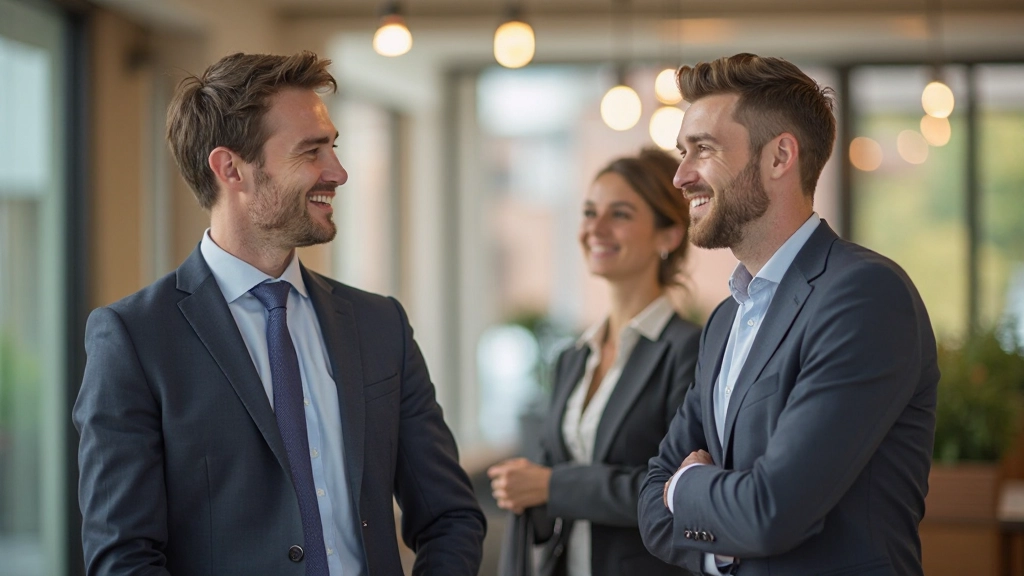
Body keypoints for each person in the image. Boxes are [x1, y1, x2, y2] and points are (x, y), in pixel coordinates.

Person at [74, 51, 485, 576]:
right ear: (230, 169)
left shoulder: (381, 325)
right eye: (311, 151)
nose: (337, 172)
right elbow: (122, 557)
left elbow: (450, 516)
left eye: (332, 146)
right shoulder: (134, 338)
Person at [637, 53, 939, 576]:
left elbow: (771, 510)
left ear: (780, 157)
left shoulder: (865, 296)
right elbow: (649, 501)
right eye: (682, 152)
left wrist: (685, 488)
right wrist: (722, 536)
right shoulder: (725, 321)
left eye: (703, 150)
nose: (681, 176)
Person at [488, 148, 702, 576]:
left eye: (620, 214)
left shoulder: (689, 351)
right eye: (589, 212)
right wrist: (526, 485)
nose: (596, 229)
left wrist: (553, 486)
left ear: (669, 235)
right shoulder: (573, 358)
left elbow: (677, 491)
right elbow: (548, 478)